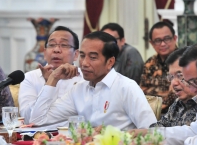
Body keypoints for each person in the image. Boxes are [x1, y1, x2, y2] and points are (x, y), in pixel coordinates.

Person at [29, 31, 157, 130]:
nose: (84, 63)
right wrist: (53, 78)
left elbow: (152, 131)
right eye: (83, 56)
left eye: (93, 57)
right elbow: (37, 120)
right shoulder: (78, 89)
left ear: (110, 62)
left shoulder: (126, 87)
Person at [19, 26, 83, 126]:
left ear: (76, 54)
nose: (56, 50)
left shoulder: (84, 78)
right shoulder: (30, 78)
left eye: (64, 45)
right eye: (52, 45)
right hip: (36, 138)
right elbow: (27, 119)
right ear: (45, 53)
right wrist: (49, 83)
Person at [150, 47, 197, 127]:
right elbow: (160, 126)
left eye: (180, 75)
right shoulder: (178, 103)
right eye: (171, 77)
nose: (174, 83)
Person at [140, 21, 177, 113]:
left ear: (175, 38)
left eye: (167, 39)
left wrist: (154, 109)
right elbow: (142, 91)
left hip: (175, 111)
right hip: (150, 111)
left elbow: (177, 94)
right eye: (158, 40)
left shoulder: (183, 61)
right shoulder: (150, 63)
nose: (163, 44)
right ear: (152, 43)